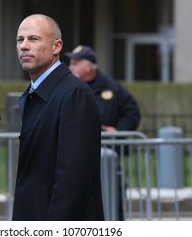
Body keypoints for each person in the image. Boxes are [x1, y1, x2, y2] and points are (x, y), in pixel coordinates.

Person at [12, 14, 104, 221]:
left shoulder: (74, 94)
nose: (24, 46)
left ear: (56, 46)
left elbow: (72, 180)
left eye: (33, 39)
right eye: (20, 40)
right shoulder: (34, 94)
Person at [66, 45, 141, 221]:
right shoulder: (68, 87)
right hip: (75, 156)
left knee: (112, 199)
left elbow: (132, 111)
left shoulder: (111, 87)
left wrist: (119, 130)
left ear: (89, 66)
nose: (70, 67)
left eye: (75, 64)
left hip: (107, 155)